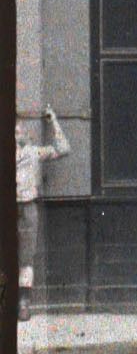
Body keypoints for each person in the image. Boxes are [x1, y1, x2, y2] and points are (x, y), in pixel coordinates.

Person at [16, 107, 70, 320]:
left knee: (26, 258)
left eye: (19, 132)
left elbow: (64, 148)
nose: (17, 135)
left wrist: (53, 120)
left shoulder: (34, 152)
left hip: (28, 207)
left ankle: (23, 304)